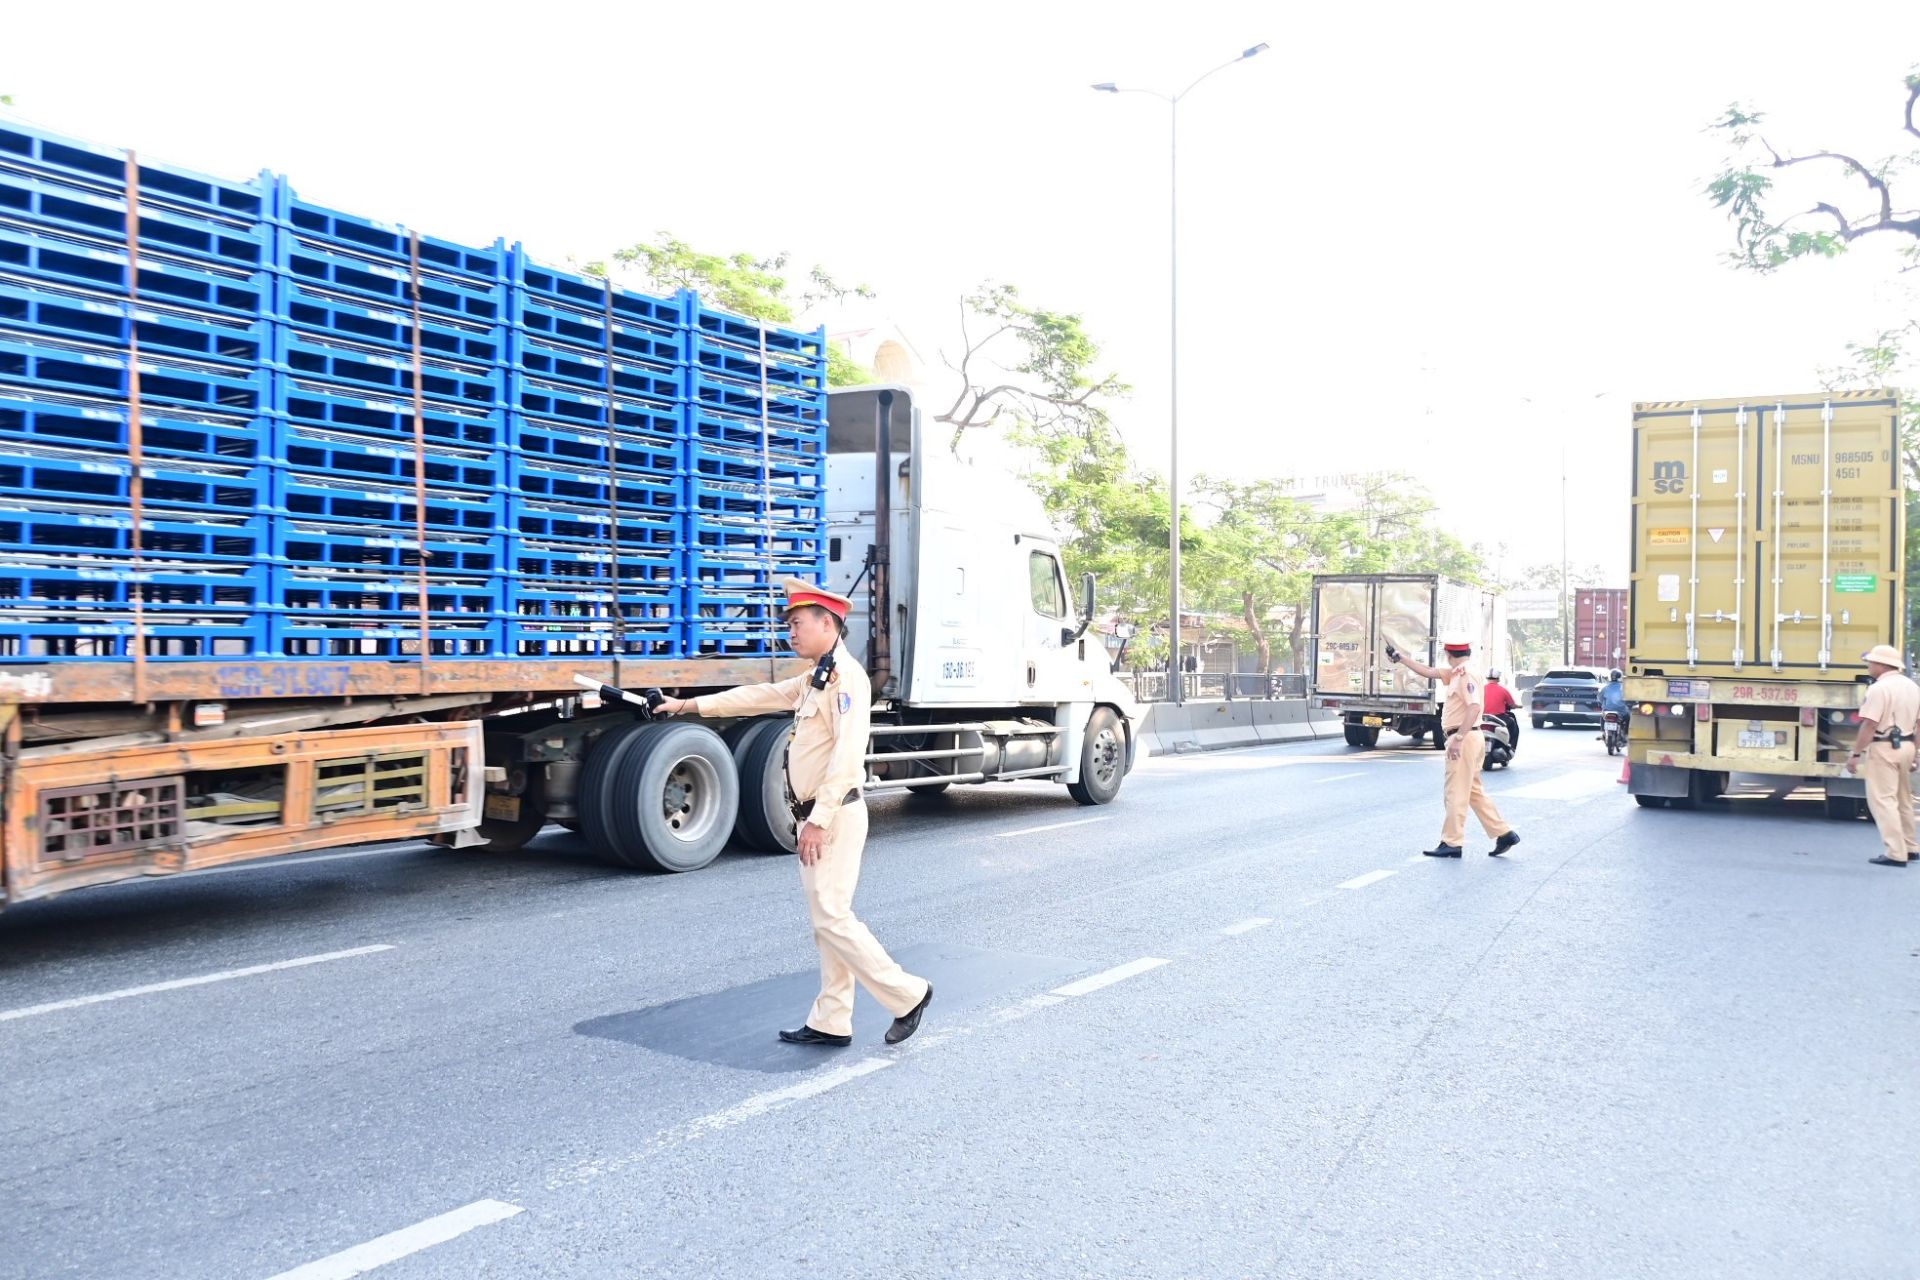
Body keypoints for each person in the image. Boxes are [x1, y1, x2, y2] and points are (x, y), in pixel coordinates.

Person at [656, 578, 934, 1044]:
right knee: (827, 920)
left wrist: (818, 821)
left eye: (798, 622)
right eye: (790, 623)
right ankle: (831, 1019)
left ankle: (907, 992)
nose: (791, 631)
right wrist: (685, 704)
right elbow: (755, 697)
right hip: (813, 816)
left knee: (831, 916)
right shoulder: (815, 677)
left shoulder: (848, 680)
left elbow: (847, 758)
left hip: (835, 816)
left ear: (829, 624)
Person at [1387, 633, 1521, 858]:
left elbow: (1474, 707)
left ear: (1450, 655)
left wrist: (1458, 738)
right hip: (1470, 738)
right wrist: (1401, 658)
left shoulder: (1465, 675)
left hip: (1464, 738)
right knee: (1473, 792)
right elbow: (1429, 672)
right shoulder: (1459, 672)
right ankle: (1504, 833)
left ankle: (1452, 842)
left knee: (1455, 793)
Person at [1845, 643, 1918, 868]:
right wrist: (1916, 752)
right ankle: (1910, 846)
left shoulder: (1879, 689)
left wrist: (1856, 754)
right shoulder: (1912, 686)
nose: (1868, 666)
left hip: (1884, 747)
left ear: (1881, 664)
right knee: (1903, 799)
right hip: (1906, 745)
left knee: (1883, 800)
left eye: (1871, 662)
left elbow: (1869, 725)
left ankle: (1896, 853)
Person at [1484, 669, 1519, 754]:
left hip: (1483, 717)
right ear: (1498, 678)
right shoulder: (1503, 690)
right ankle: (1511, 747)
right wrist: (1518, 706)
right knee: (1513, 725)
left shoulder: (1481, 689)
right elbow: (1512, 705)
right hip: (1499, 717)